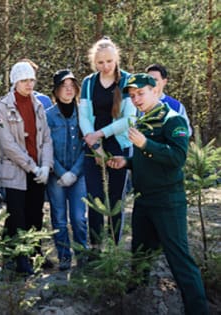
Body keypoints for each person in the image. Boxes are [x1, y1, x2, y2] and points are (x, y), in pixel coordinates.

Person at [107, 73, 209, 315]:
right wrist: (127, 162)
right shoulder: (143, 121)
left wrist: (145, 145)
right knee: (139, 258)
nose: (136, 99)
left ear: (155, 91)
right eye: (132, 96)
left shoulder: (172, 120)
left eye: (141, 93)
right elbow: (147, 160)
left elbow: (177, 158)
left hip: (167, 202)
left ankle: (198, 310)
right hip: (143, 201)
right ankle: (136, 305)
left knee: (180, 261)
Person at [0, 61, 53, 274]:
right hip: (16, 169)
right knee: (17, 215)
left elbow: (46, 137)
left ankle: (35, 253)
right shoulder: (4, 105)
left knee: (36, 213)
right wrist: (31, 166)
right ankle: (19, 259)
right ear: (14, 82)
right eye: (24, 80)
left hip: (39, 168)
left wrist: (45, 166)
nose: (29, 84)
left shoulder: (38, 104)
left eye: (31, 80)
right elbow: (7, 143)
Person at [78, 37, 136, 247]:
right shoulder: (89, 82)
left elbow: (129, 119)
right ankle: (95, 248)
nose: (106, 66)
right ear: (95, 62)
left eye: (110, 61)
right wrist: (94, 145)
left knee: (115, 199)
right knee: (94, 198)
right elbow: (83, 116)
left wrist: (100, 135)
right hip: (93, 145)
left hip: (119, 144)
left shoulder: (127, 80)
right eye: (101, 62)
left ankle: (114, 247)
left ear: (116, 59)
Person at [46, 70, 87, 271]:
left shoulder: (83, 113)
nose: (69, 89)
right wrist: (62, 172)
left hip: (79, 175)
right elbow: (45, 147)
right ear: (56, 90)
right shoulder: (48, 116)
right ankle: (64, 257)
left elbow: (88, 145)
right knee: (59, 218)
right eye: (64, 85)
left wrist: (75, 172)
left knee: (79, 218)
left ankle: (83, 255)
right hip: (56, 175)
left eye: (72, 85)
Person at [145, 63, 192, 135]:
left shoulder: (176, 106)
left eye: (155, 80)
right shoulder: (138, 102)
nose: (151, 82)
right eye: (148, 79)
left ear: (164, 82)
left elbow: (186, 132)